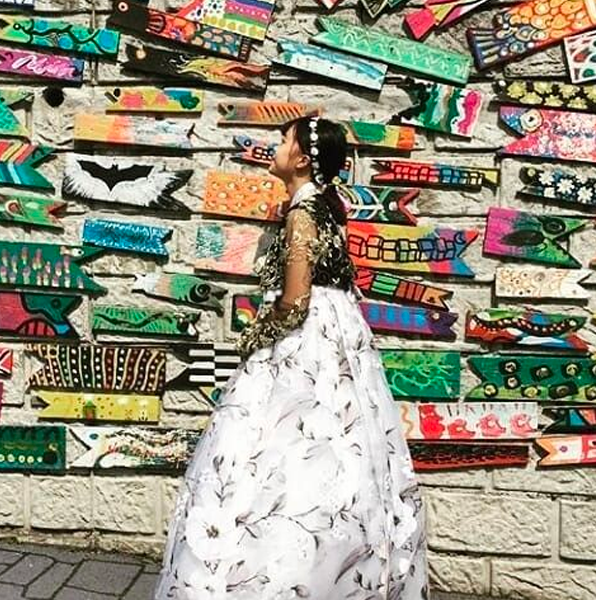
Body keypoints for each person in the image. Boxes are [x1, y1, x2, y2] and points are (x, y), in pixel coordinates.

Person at [154, 116, 428, 599]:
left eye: (284, 141)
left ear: (302, 159)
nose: (276, 147)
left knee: (273, 445)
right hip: (341, 333)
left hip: (305, 340)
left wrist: (253, 341)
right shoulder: (326, 209)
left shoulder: (302, 214)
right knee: (341, 448)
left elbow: (296, 299)